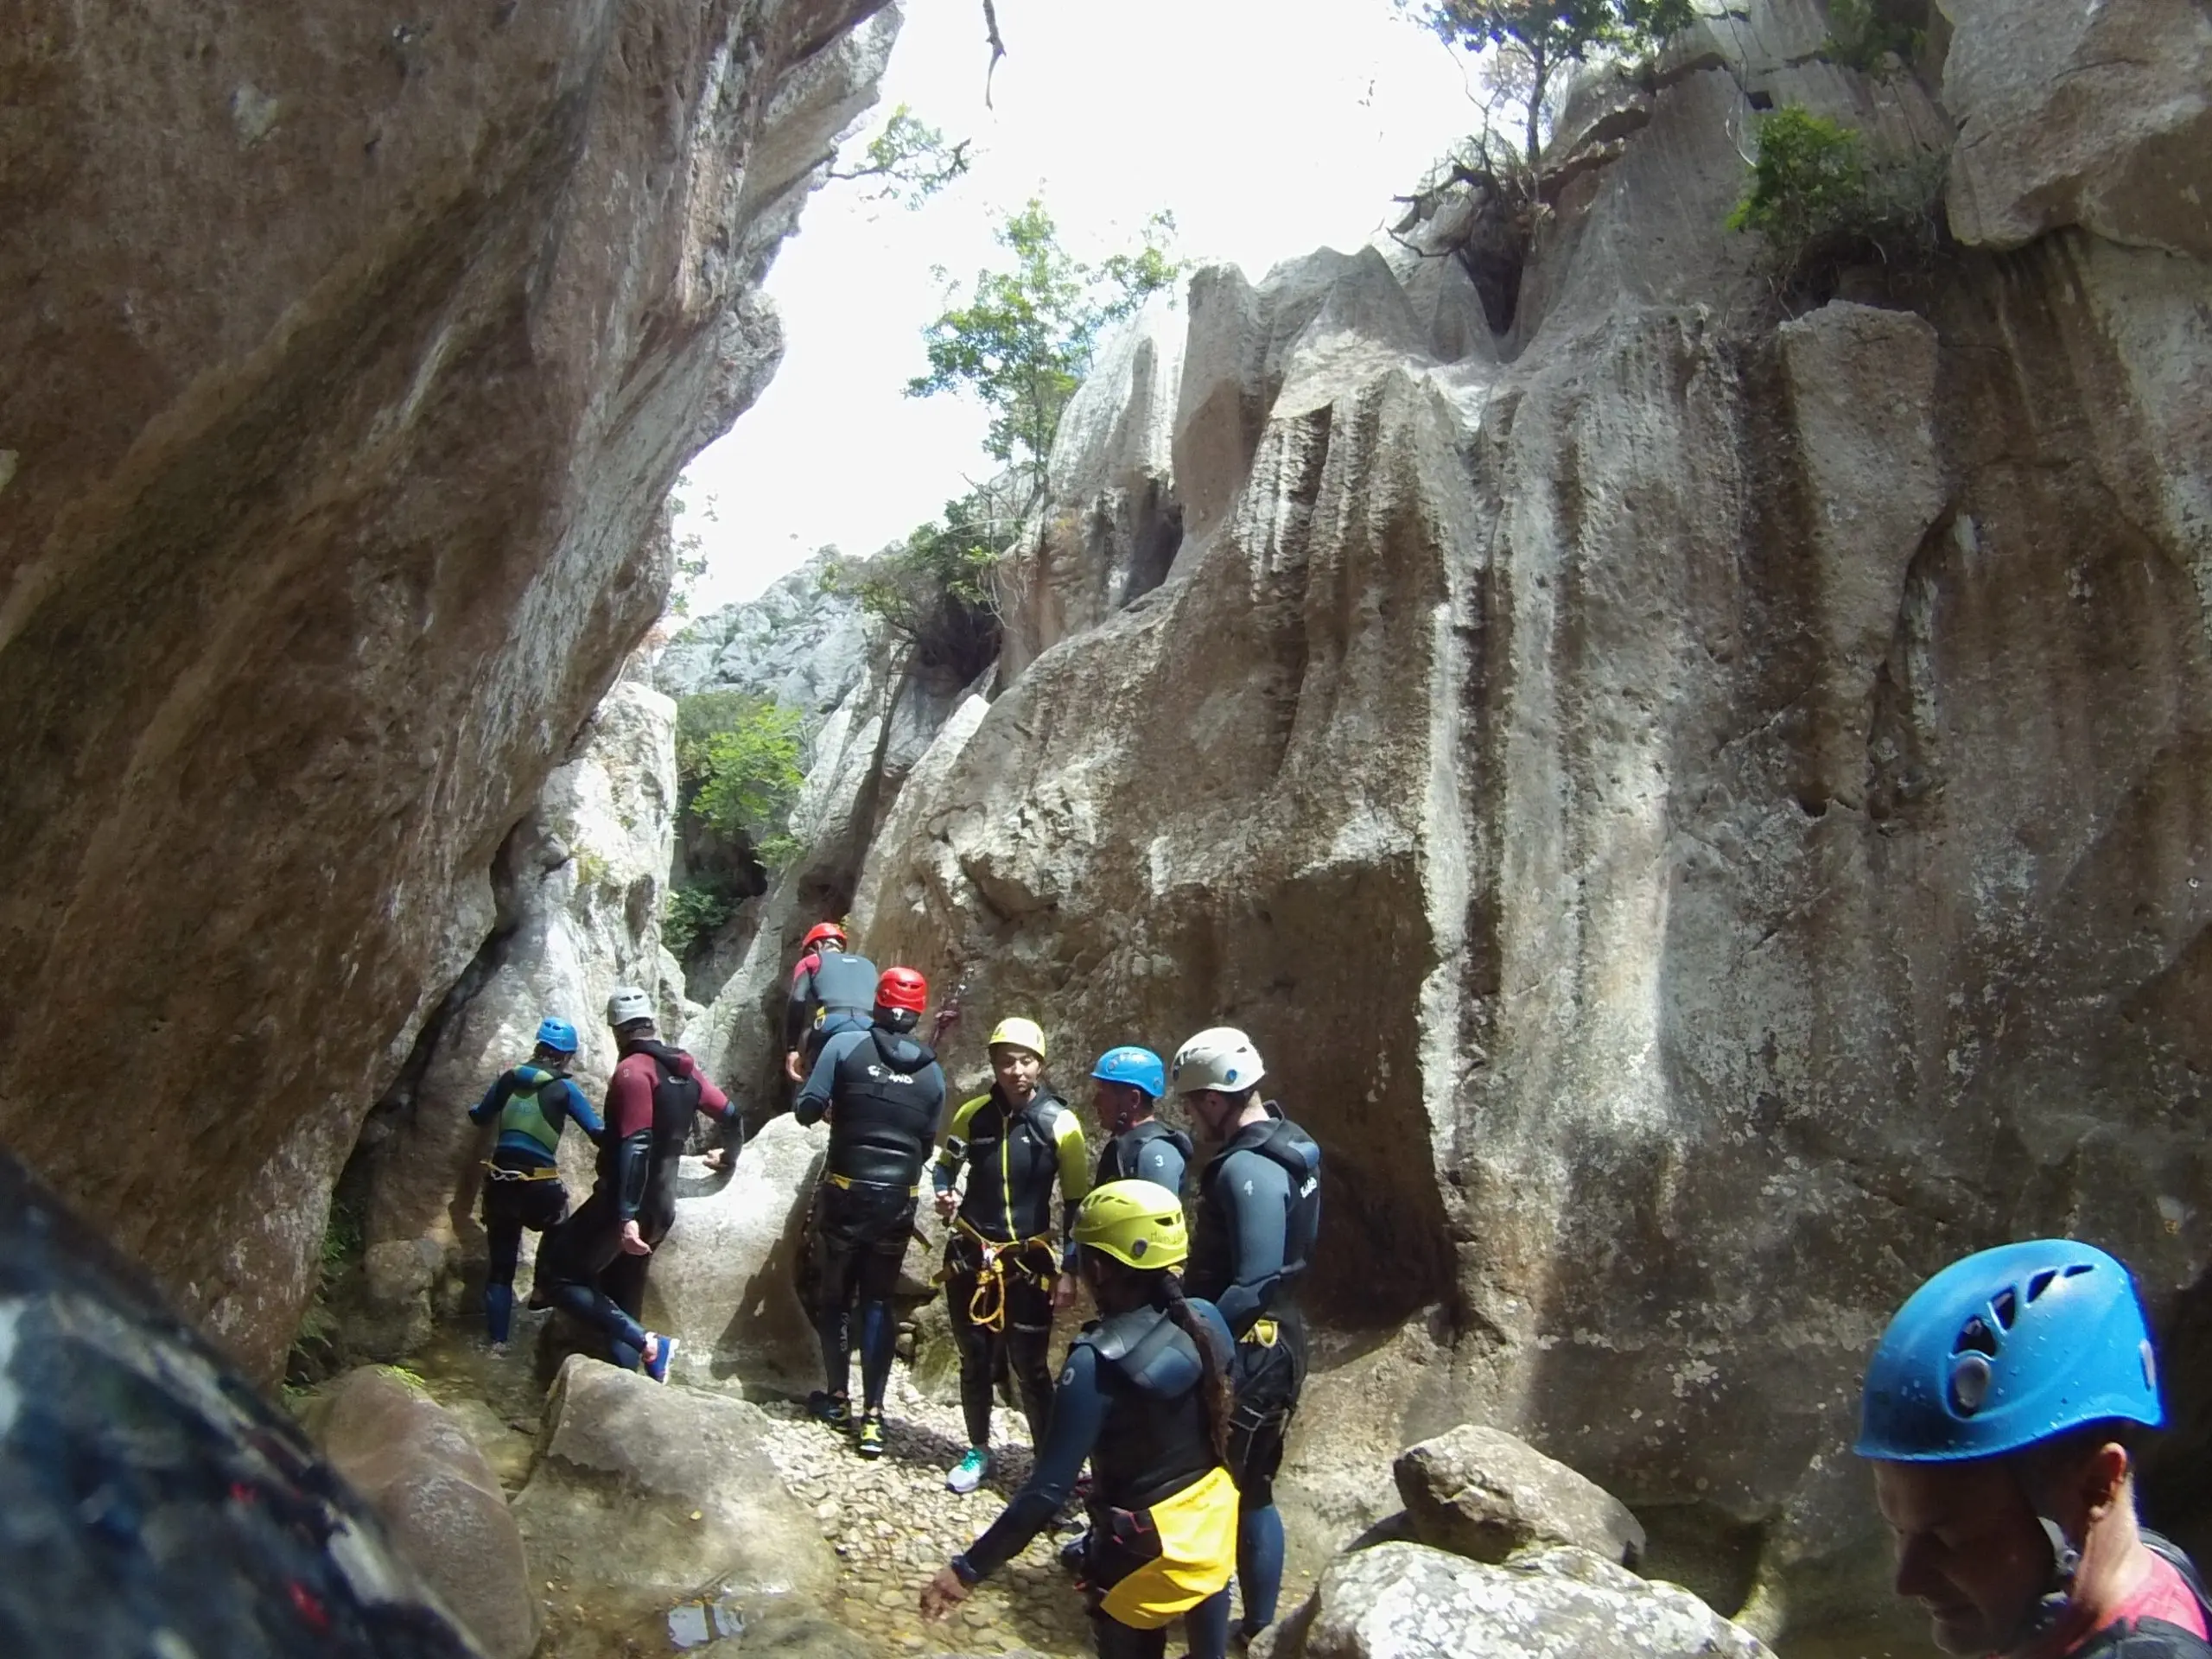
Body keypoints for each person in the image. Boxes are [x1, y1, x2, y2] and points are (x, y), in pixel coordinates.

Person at [921, 1181, 1238, 1659]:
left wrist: (967, 1570)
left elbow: (1047, 1491)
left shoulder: (1097, 1360)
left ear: (1099, 1266)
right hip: (1211, 1527)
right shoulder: (1209, 1319)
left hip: (1141, 1546)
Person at [1856, 1239, 2210, 1659]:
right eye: (1900, 1529)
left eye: (1948, 1537)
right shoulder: (2128, 1573)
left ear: (2096, 1487)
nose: (1907, 1580)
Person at [1172, 1027, 1321, 1648]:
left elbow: (1255, 1277)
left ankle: (1217, 1627)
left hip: (1253, 1348)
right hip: (1278, 1338)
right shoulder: (1293, 1144)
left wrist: (1192, 1336)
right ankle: (1255, 1626)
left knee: (1223, 1487)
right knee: (1252, 1486)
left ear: (1215, 1099)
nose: (1190, 1115)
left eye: (1191, 1102)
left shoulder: (1249, 1167)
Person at [531, 985, 730, 1380]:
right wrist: (730, 1159)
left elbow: (637, 1144)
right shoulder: (684, 1070)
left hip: (627, 1204)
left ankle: (649, 1344)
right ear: (651, 1023)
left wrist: (625, 1218)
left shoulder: (632, 1072)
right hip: (662, 1206)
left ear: (618, 1031)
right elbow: (732, 1115)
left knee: (558, 1275)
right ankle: (635, 1378)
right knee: (623, 1289)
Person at [931, 1015, 1092, 1493]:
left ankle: (1047, 1467)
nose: (1016, 1071)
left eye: (1025, 1061)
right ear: (993, 1066)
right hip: (971, 1252)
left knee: (1032, 1366)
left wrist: (1070, 1270)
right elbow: (944, 1169)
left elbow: (1077, 1204)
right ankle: (978, 1450)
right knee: (975, 1359)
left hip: (1028, 1260)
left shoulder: (1060, 1123)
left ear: (1040, 1065)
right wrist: (944, 1194)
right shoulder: (973, 1115)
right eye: (1006, 1062)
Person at [794, 965, 947, 1458]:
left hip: (847, 1190)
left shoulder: (845, 1046)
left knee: (836, 1295)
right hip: (899, 1198)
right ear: (918, 1014)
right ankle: (875, 1417)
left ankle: (838, 1398)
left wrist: (837, 1105)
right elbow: (925, 1147)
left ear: (877, 1004)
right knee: (878, 1300)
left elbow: (806, 1108)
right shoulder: (933, 1071)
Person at [467, 1015, 603, 1351]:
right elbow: (597, 1132)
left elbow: (479, 1115)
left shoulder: (509, 1079)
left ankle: (498, 1343)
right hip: (539, 1188)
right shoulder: (564, 1089)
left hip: (500, 1183)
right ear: (566, 1056)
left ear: (537, 1047)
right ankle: (543, 1286)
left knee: (501, 1269)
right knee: (561, 1223)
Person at [784, 921, 879, 1084]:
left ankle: (811, 1099)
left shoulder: (811, 961)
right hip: (869, 1026)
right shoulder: (868, 965)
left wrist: (792, 1049)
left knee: (814, 1077)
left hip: (831, 1023)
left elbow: (798, 1000)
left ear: (817, 945)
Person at [1090, 1046, 1192, 1192]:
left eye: (1103, 1095)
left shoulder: (1153, 1153)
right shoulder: (1125, 1146)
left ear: (1133, 1099)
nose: (1095, 1102)